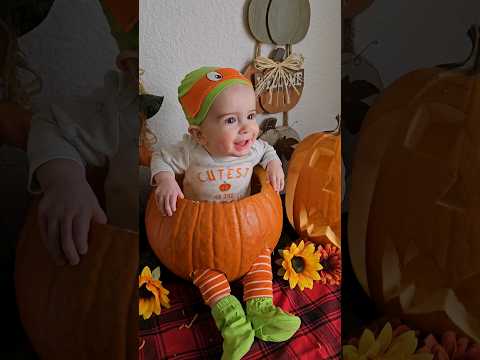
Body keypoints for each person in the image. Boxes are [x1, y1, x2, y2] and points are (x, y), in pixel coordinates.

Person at [150, 66, 301, 360]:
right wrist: (166, 180)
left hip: (247, 231)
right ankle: (232, 324)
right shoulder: (191, 152)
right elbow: (160, 158)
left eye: (250, 116)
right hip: (201, 237)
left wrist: (274, 165)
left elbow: (267, 150)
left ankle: (262, 311)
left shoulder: (252, 148)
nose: (246, 127)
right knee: (205, 272)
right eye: (231, 120)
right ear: (199, 134)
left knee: (260, 257)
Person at [26, 0, 156, 266]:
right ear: (133, 70)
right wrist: (64, 182)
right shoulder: (123, 109)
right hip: (125, 266)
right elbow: (51, 124)